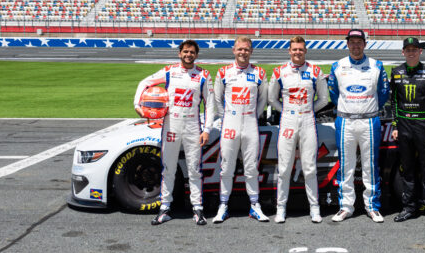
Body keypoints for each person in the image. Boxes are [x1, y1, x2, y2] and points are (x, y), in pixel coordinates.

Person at [133, 40, 215, 226]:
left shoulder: (203, 74)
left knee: (194, 169)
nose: (188, 55)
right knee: (168, 168)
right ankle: (165, 208)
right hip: (171, 125)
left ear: (196, 55)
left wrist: (207, 129)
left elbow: (210, 105)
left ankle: (198, 208)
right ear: (180, 53)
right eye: (185, 51)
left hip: (193, 126)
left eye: (192, 52)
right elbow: (145, 82)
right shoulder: (169, 71)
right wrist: (138, 106)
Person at [327, 29, 390, 223]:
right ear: (347, 44)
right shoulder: (338, 66)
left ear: (365, 44)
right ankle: (346, 206)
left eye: (359, 42)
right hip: (345, 120)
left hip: (369, 120)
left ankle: (372, 206)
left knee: (370, 166)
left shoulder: (376, 65)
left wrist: (367, 109)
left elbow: (384, 94)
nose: (355, 45)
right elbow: (333, 95)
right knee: (346, 166)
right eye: (352, 42)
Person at [268, 36, 330, 224]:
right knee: (285, 166)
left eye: (300, 49)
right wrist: (286, 111)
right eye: (294, 49)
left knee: (309, 167)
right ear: (289, 51)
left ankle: (314, 207)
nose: (297, 52)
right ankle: (281, 208)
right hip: (287, 119)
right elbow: (272, 99)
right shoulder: (279, 72)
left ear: (305, 51)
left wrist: (309, 109)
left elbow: (324, 99)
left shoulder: (315, 71)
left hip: (308, 119)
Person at [212, 36, 269, 223]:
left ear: (251, 51)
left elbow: (263, 100)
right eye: (240, 49)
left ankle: (255, 205)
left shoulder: (260, 73)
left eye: (246, 49)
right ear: (234, 51)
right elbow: (217, 100)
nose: (243, 52)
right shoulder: (223, 72)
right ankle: (223, 205)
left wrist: (253, 115)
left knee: (251, 168)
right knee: (226, 167)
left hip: (251, 124)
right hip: (230, 124)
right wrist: (226, 116)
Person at [390, 37, 425, 228]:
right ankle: (409, 208)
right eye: (408, 49)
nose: (411, 52)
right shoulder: (396, 72)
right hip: (404, 125)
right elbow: (394, 101)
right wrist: (395, 125)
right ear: (403, 52)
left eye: (415, 49)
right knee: (407, 170)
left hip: (423, 125)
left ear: (420, 52)